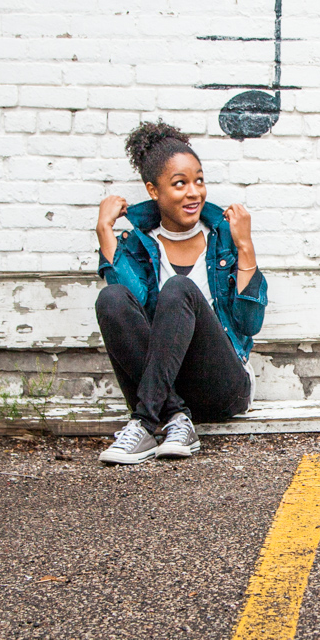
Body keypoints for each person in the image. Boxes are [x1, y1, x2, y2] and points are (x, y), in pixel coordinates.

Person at [92, 122, 265, 463]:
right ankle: (176, 418)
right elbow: (130, 313)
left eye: (199, 180)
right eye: (180, 183)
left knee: (179, 289)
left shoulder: (224, 238)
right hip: (163, 387)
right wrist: (105, 232)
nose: (194, 192)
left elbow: (249, 322)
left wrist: (245, 245)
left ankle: (144, 423)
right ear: (153, 191)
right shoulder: (140, 244)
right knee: (110, 299)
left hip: (222, 387)